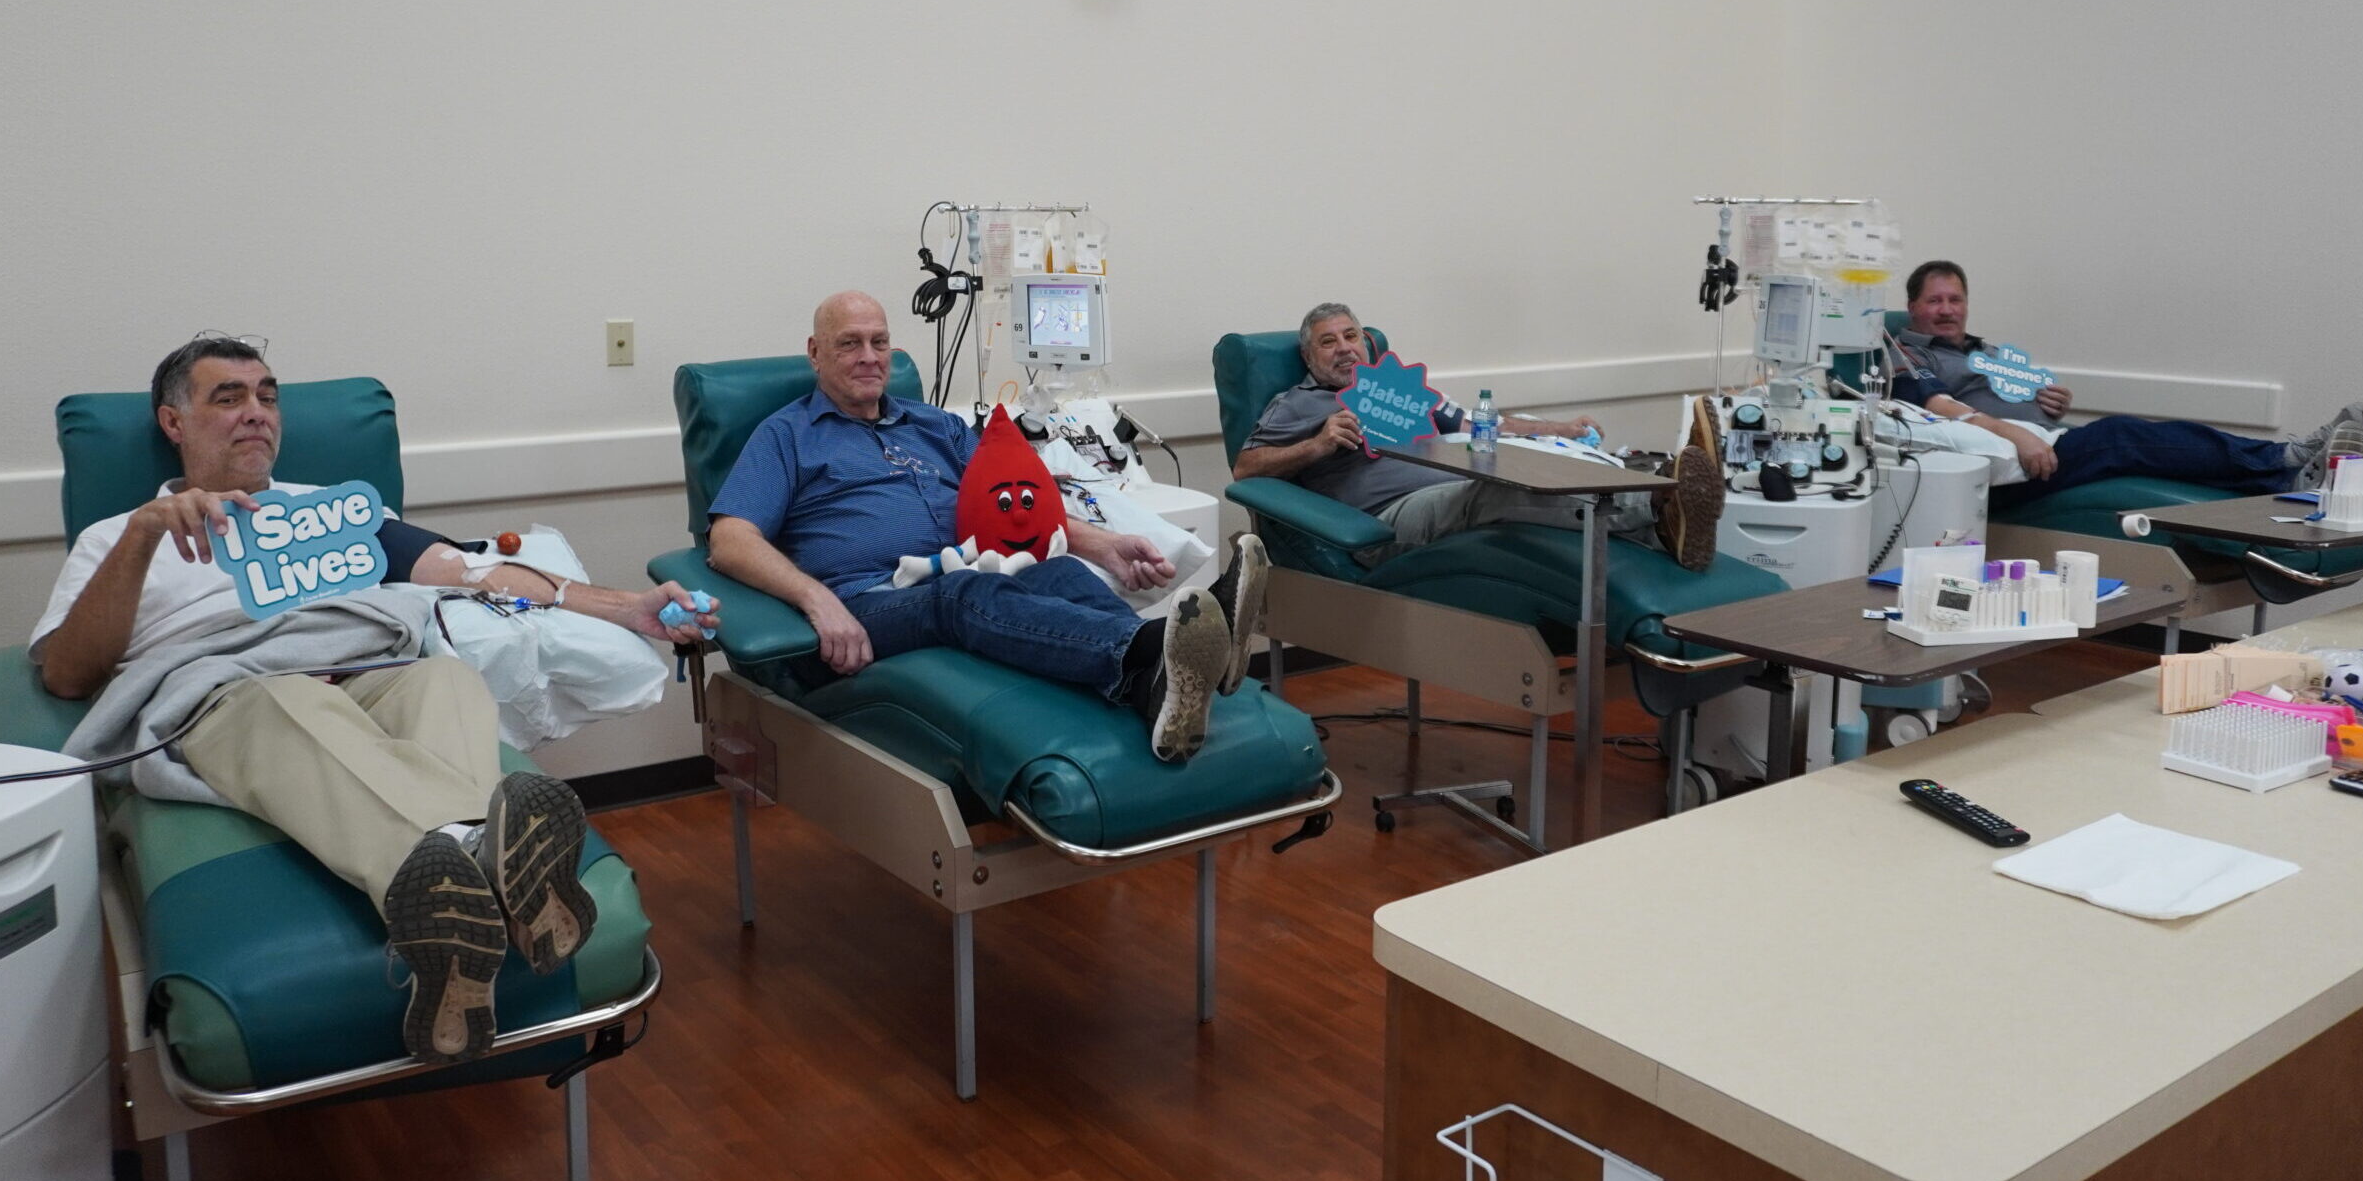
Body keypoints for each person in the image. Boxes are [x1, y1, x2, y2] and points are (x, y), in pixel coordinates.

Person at [32, 333, 719, 1066]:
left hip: (371, 662)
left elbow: (474, 572)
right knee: (288, 708)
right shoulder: (121, 535)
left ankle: (457, 905)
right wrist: (142, 540)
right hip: (236, 687)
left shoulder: (332, 516)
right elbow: (69, 674)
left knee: (444, 680)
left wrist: (627, 608)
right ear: (174, 424)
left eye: (267, 396)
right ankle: (476, 870)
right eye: (227, 397)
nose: (256, 412)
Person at [706, 290, 1268, 763]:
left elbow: (1012, 507)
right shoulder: (788, 435)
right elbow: (728, 540)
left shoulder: (935, 426)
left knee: (1059, 574)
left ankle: (1156, 683)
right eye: (849, 343)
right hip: (867, 602)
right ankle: (1161, 647)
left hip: (975, 574)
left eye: (880, 342)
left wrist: (1103, 544)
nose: (869, 356)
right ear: (815, 353)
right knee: (962, 593)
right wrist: (817, 602)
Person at [1231, 302, 1728, 571]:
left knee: (1526, 467)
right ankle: (1659, 505)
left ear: (1367, 343)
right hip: (1384, 523)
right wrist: (1316, 444)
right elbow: (1245, 469)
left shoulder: (1393, 391)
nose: (1344, 348)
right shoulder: (1298, 403)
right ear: (1309, 357)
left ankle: (1665, 525)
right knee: (1488, 492)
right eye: (1327, 341)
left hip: (1450, 487)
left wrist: (1558, 429)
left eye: (1351, 336)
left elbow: (1475, 424)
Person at [1887, 261, 2363, 508]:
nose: (1947, 309)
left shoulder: (1983, 352)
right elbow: (1937, 407)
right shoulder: (1906, 352)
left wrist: (2049, 407)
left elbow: (2020, 403)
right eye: (1935, 301)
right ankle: (2284, 462)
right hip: (2004, 472)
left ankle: (2285, 477)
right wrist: (2018, 433)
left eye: (1955, 299)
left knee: (2143, 439)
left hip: (2047, 444)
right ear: (1913, 308)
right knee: (2122, 435)